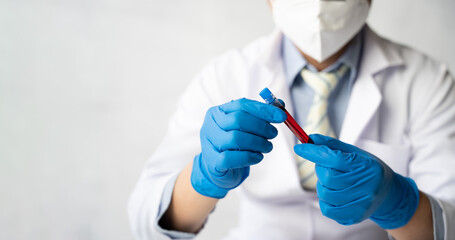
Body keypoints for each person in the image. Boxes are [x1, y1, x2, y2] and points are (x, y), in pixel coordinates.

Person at [128, 0, 455, 239]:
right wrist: (203, 176)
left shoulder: (427, 80)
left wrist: (399, 202)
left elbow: (450, 224)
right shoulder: (224, 76)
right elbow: (146, 220)